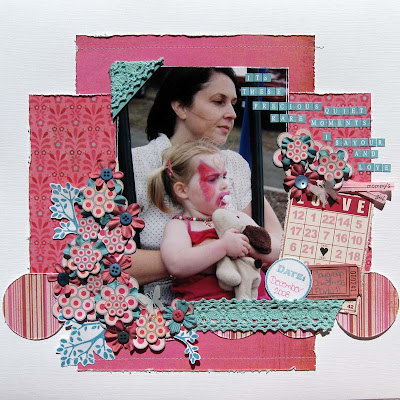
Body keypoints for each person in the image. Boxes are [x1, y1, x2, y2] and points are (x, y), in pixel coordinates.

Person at [129, 67, 282, 304]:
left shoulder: (235, 165)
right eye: (219, 101)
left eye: (233, 104)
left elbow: (277, 241)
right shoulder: (136, 164)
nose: (232, 114)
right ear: (180, 106)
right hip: (166, 311)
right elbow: (104, 259)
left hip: (239, 305)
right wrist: (211, 253)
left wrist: (237, 250)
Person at [147, 140, 257, 301]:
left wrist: (250, 246)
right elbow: (176, 264)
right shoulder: (179, 225)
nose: (225, 185)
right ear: (182, 190)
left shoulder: (236, 217)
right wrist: (223, 246)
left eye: (224, 176)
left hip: (251, 301)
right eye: (212, 179)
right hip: (206, 307)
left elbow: (269, 249)